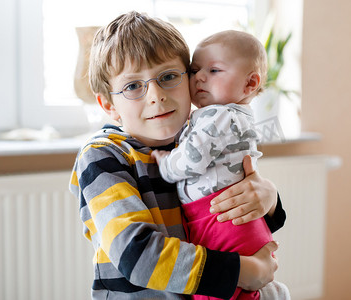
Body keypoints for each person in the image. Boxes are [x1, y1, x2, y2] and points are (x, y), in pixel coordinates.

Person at [69, 11, 286, 300]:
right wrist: (241, 271)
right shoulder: (102, 156)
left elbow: (225, 221)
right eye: (133, 86)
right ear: (109, 104)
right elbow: (137, 255)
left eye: (169, 76)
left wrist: (269, 199)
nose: (155, 95)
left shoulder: (195, 140)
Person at [151, 30, 290, 300]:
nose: (199, 77)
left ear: (250, 84)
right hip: (220, 216)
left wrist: (165, 164)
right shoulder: (215, 116)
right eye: (194, 70)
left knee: (217, 291)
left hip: (223, 219)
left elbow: (190, 160)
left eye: (214, 70)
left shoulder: (221, 116)